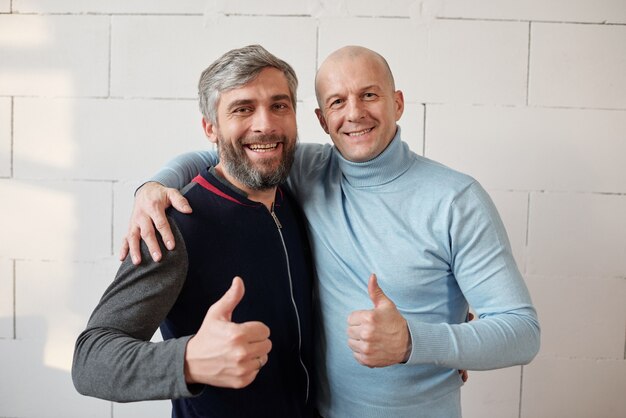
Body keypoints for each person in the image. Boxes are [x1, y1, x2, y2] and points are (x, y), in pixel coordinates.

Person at [123, 46, 540, 417]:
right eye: (338, 101)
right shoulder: (309, 170)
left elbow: (522, 333)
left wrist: (416, 341)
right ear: (322, 120)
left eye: (370, 95)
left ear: (398, 102)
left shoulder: (456, 199)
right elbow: (226, 152)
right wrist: (153, 187)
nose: (355, 113)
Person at [72, 45, 316, 418]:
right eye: (243, 109)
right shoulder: (176, 225)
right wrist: (188, 361)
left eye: (279, 105)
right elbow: (90, 359)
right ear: (210, 128)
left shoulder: (295, 198)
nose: (265, 124)